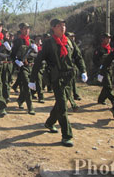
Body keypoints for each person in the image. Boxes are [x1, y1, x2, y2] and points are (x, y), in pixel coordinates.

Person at [29, 19, 87, 147]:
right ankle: (67, 135)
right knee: (62, 105)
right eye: (60, 26)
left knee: (61, 102)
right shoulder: (49, 43)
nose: (63, 28)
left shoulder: (69, 42)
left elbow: (78, 57)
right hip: (56, 79)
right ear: (53, 28)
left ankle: (50, 123)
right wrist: (32, 79)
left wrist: (83, 70)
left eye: (64, 26)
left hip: (68, 78)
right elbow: (38, 61)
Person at [11, 23, 38, 115]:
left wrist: (36, 51)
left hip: (31, 66)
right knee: (27, 85)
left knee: (34, 86)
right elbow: (12, 55)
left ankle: (20, 99)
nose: (26, 30)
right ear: (21, 30)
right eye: (24, 29)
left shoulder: (31, 42)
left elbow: (36, 56)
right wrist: (16, 61)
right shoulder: (17, 42)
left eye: (28, 29)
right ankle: (30, 107)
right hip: (22, 67)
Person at [93, 33, 114, 106]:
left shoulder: (111, 48)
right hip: (103, 70)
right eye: (107, 38)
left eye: (109, 38)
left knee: (107, 85)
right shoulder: (99, 49)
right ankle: (113, 100)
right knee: (108, 85)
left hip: (110, 69)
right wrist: (99, 66)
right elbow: (95, 60)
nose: (109, 40)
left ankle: (101, 99)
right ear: (103, 39)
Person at [66, 32, 82, 102]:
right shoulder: (64, 44)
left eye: (73, 36)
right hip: (65, 67)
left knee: (73, 80)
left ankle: (75, 94)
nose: (73, 38)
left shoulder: (74, 45)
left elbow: (78, 57)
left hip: (73, 66)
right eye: (71, 36)